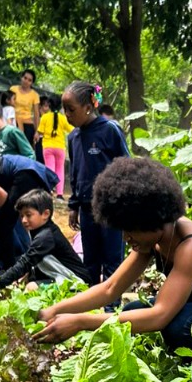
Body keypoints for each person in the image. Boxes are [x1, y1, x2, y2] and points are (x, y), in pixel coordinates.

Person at [37, 157, 192, 351]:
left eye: (130, 230)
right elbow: (110, 288)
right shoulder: (154, 239)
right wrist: (53, 311)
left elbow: (159, 316)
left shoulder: (191, 246)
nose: (126, 238)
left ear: (151, 220)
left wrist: (80, 322)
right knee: (134, 308)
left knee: (180, 325)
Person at [63, 81, 129, 282]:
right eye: (64, 109)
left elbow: (126, 166)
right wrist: (74, 205)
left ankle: (112, 300)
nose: (67, 115)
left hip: (110, 208)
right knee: (90, 261)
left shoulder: (109, 130)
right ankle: (91, 297)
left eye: (71, 109)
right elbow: (75, 173)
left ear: (88, 107)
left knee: (112, 259)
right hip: (86, 208)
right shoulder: (73, 137)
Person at [0, 190, 91, 289]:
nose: (23, 220)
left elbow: (25, 262)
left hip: (76, 282)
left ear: (45, 214)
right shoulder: (39, 231)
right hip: (61, 276)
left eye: (28, 215)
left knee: (31, 287)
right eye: (21, 216)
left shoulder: (46, 237)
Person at [36, 94, 73, 197]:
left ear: (49, 105)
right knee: (60, 169)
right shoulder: (63, 118)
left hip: (47, 147)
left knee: (49, 168)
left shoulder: (44, 117)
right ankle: (60, 194)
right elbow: (71, 129)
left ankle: (49, 190)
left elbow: (40, 131)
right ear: (61, 106)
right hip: (60, 147)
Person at [9, 69, 41, 144]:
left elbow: (36, 114)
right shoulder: (13, 89)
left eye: (29, 80)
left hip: (27, 124)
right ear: (21, 77)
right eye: (25, 78)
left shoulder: (35, 95)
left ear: (32, 83)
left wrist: (37, 131)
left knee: (25, 147)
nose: (26, 81)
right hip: (13, 122)